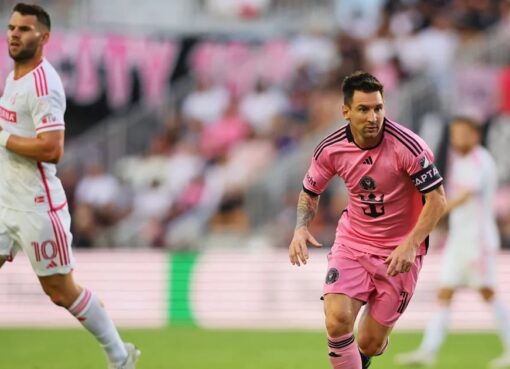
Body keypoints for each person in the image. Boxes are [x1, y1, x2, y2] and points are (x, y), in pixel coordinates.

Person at [0, 4, 140, 369]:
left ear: (43, 38)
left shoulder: (44, 86)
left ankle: (119, 354)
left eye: (24, 29)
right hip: (4, 200)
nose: (15, 34)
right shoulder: (14, 76)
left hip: (37, 205)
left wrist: (2, 139)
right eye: (12, 27)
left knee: (61, 292)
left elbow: (52, 149)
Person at [288, 71, 447, 369]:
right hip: (353, 243)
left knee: (369, 342)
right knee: (337, 321)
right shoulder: (331, 149)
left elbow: (437, 200)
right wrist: (300, 228)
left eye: (378, 108)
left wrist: (410, 244)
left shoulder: (408, 147)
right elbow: (310, 191)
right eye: (364, 109)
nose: (373, 117)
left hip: (400, 253)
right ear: (346, 111)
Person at [394, 116, 510, 368]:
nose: (457, 138)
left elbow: (462, 198)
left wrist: (433, 209)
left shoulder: (480, 161)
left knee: (488, 293)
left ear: (475, 136)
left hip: (477, 243)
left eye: (463, 133)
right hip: (459, 242)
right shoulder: (461, 161)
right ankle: (428, 351)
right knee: (444, 293)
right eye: (455, 133)